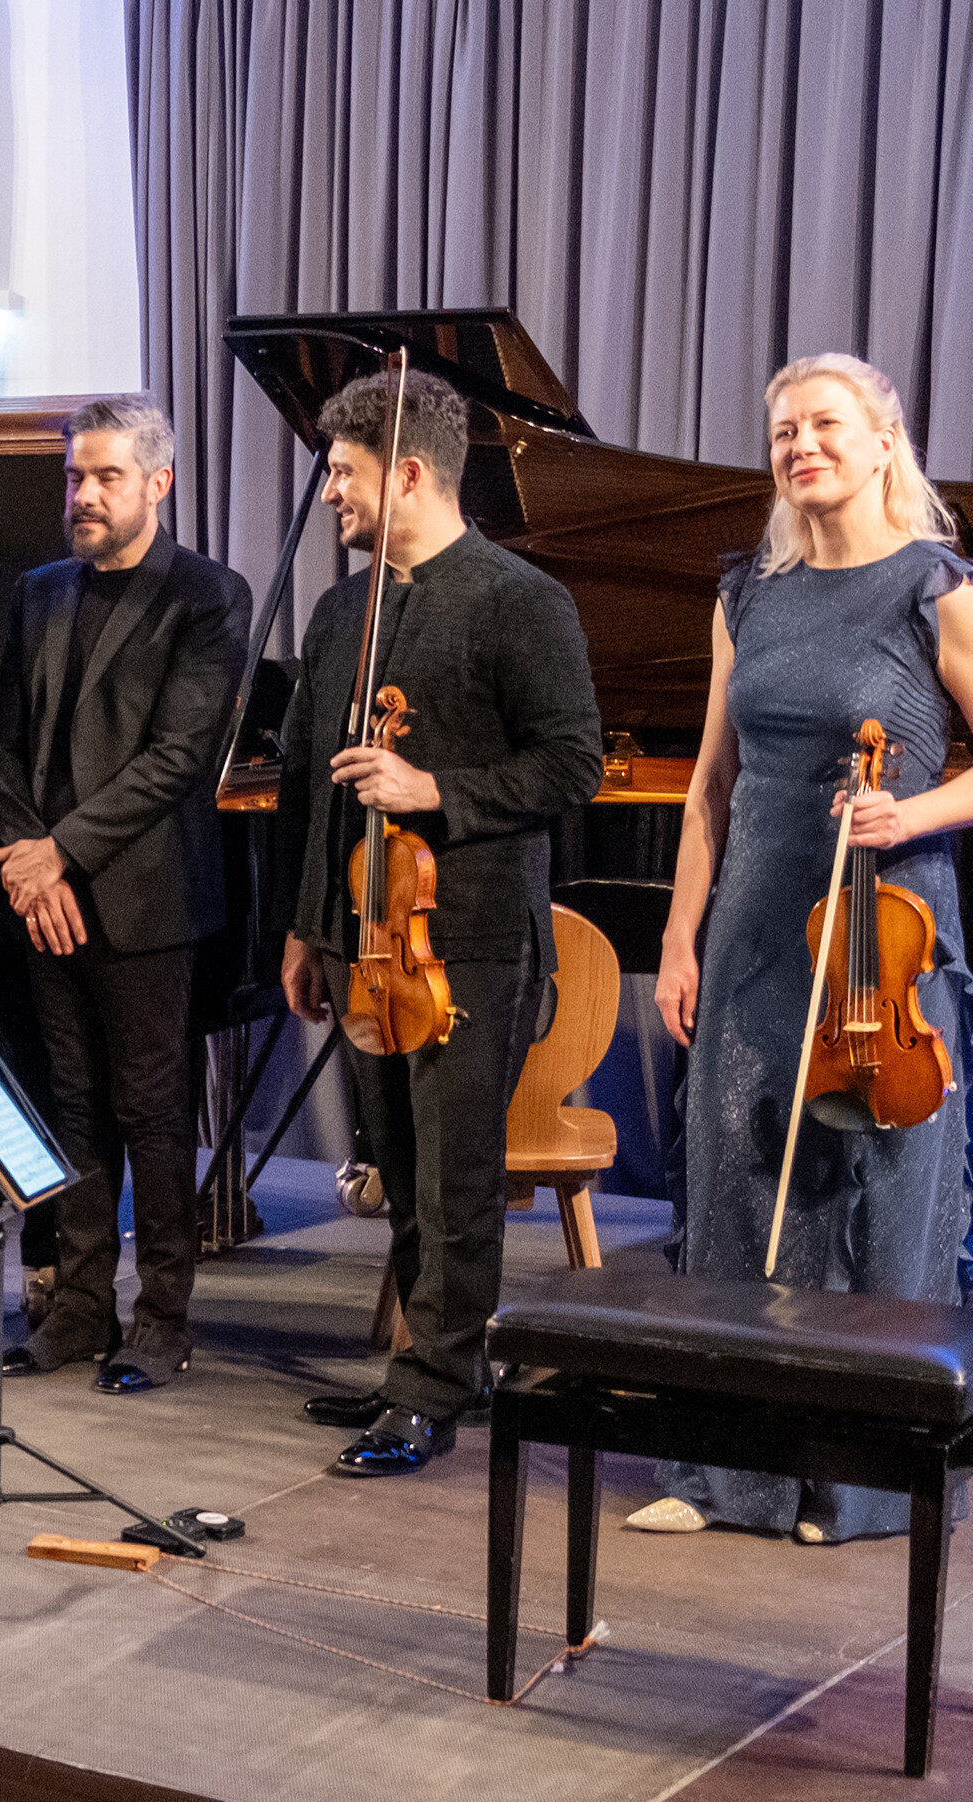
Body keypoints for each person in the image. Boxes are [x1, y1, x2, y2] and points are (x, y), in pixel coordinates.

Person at [636, 353, 973, 1544]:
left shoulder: (937, 589)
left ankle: (861, 1485)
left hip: (883, 929)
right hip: (755, 929)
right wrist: (676, 938)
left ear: (882, 444)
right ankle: (722, 1473)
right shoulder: (745, 597)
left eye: (824, 424)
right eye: (781, 430)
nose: (800, 444)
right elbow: (708, 789)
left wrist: (906, 813)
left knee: (873, 1195)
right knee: (731, 1185)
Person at [273, 370, 604, 1477]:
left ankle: (435, 1389)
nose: (326, 491)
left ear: (406, 473)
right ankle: (418, 1370)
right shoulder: (337, 614)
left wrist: (434, 791)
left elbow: (570, 764)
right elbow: (306, 792)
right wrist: (303, 927)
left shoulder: (520, 601)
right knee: (398, 1167)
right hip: (354, 938)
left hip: (464, 940)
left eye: (342, 471)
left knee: (455, 1178)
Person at [0, 395, 247, 1394]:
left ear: (156, 484)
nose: (83, 495)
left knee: (149, 1107)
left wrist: (56, 854)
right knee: (71, 1109)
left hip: (143, 900)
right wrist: (22, 855)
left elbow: (177, 756)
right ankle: (81, 1307)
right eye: (73, 477)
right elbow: (1, 738)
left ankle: (161, 1318)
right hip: (40, 893)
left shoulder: (207, 594)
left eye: (104, 478)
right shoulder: (38, 588)